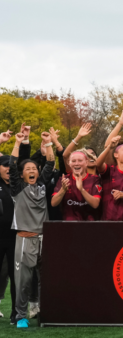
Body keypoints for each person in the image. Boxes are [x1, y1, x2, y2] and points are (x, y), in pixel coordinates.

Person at [8, 131, 55, 328]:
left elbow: (50, 164)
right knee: (24, 281)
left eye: (34, 167)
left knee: (47, 280)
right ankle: (21, 316)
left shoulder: (42, 185)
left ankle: (47, 313)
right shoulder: (17, 187)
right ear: (22, 174)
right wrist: (18, 143)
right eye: (28, 168)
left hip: (45, 239)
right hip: (25, 239)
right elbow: (11, 166)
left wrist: (49, 143)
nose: (32, 170)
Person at [51, 149, 102, 221]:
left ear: (86, 162)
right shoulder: (64, 179)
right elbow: (53, 203)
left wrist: (81, 189)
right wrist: (63, 190)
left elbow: (95, 204)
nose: (76, 163)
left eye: (80, 161)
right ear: (69, 163)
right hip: (70, 225)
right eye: (73, 161)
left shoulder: (95, 179)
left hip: (90, 225)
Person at [0, 131, 17, 319]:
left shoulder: (17, 184)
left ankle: (16, 312)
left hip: (15, 237)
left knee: (15, 277)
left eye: (9, 166)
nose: (7, 168)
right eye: (3, 165)